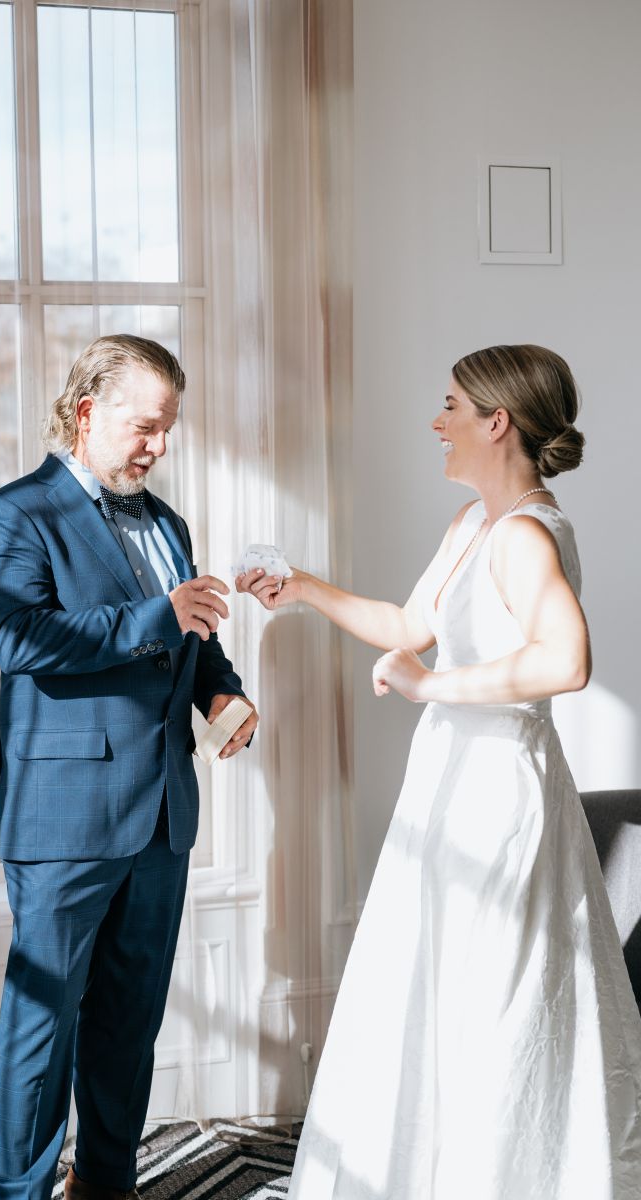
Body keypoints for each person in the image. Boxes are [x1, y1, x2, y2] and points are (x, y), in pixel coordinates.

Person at [237, 344, 641, 1200]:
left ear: (498, 423)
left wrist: (432, 687)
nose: (436, 421)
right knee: (433, 985)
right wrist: (302, 586)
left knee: (496, 997)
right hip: (452, 787)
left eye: (450, 405)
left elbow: (565, 661)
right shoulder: (474, 526)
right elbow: (408, 623)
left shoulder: (528, 532)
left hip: (502, 797)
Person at [0, 334, 258, 1200]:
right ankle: (13, 1193)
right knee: (41, 1025)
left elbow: (191, 635)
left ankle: (105, 1185)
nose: (160, 446)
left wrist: (223, 695)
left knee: (129, 1025)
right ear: (88, 412)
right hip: (62, 816)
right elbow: (20, 640)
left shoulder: (167, 523)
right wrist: (155, 617)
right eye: (145, 427)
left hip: (162, 812)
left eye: (170, 428)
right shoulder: (15, 513)